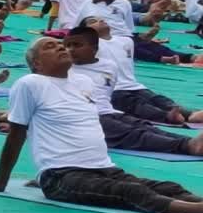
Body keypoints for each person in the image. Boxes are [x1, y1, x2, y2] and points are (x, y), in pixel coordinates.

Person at [0, 36, 203, 213]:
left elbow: (75, 128)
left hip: (105, 168)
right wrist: (0, 183)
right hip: (62, 176)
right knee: (132, 192)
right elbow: (16, 135)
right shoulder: (30, 83)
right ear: (36, 63)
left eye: (60, 44)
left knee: (167, 187)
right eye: (50, 46)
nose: (60, 48)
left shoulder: (83, 82)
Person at [65, 26, 203, 155]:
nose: (70, 50)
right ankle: (187, 145)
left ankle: (189, 139)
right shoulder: (64, 68)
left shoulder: (109, 65)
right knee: (132, 133)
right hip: (86, 118)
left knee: (145, 126)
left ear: (95, 48)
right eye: (68, 46)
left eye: (77, 45)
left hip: (110, 111)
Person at [82, 17, 203, 124]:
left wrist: (158, 54)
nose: (101, 21)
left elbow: (141, 50)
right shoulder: (89, 46)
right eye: (94, 22)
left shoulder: (125, 41)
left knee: (160, 100)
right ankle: (168, 117)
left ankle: (190, 114)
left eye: (101, 19)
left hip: (134, 86)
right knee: (138, 106)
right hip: (114, 90)